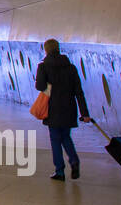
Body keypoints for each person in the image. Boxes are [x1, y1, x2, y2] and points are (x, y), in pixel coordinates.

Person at [33, 38, 92, 181]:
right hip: (69, 108)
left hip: (52, 108)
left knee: (55, 139)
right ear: (58, 49)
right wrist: (84, 113)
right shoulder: (70, 67)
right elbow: (79, 91)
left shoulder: (43, 67)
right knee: (66, 136)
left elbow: (40, 86)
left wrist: (48, 84)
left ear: (46, 50)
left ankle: (59, 171)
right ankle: (74, 160)